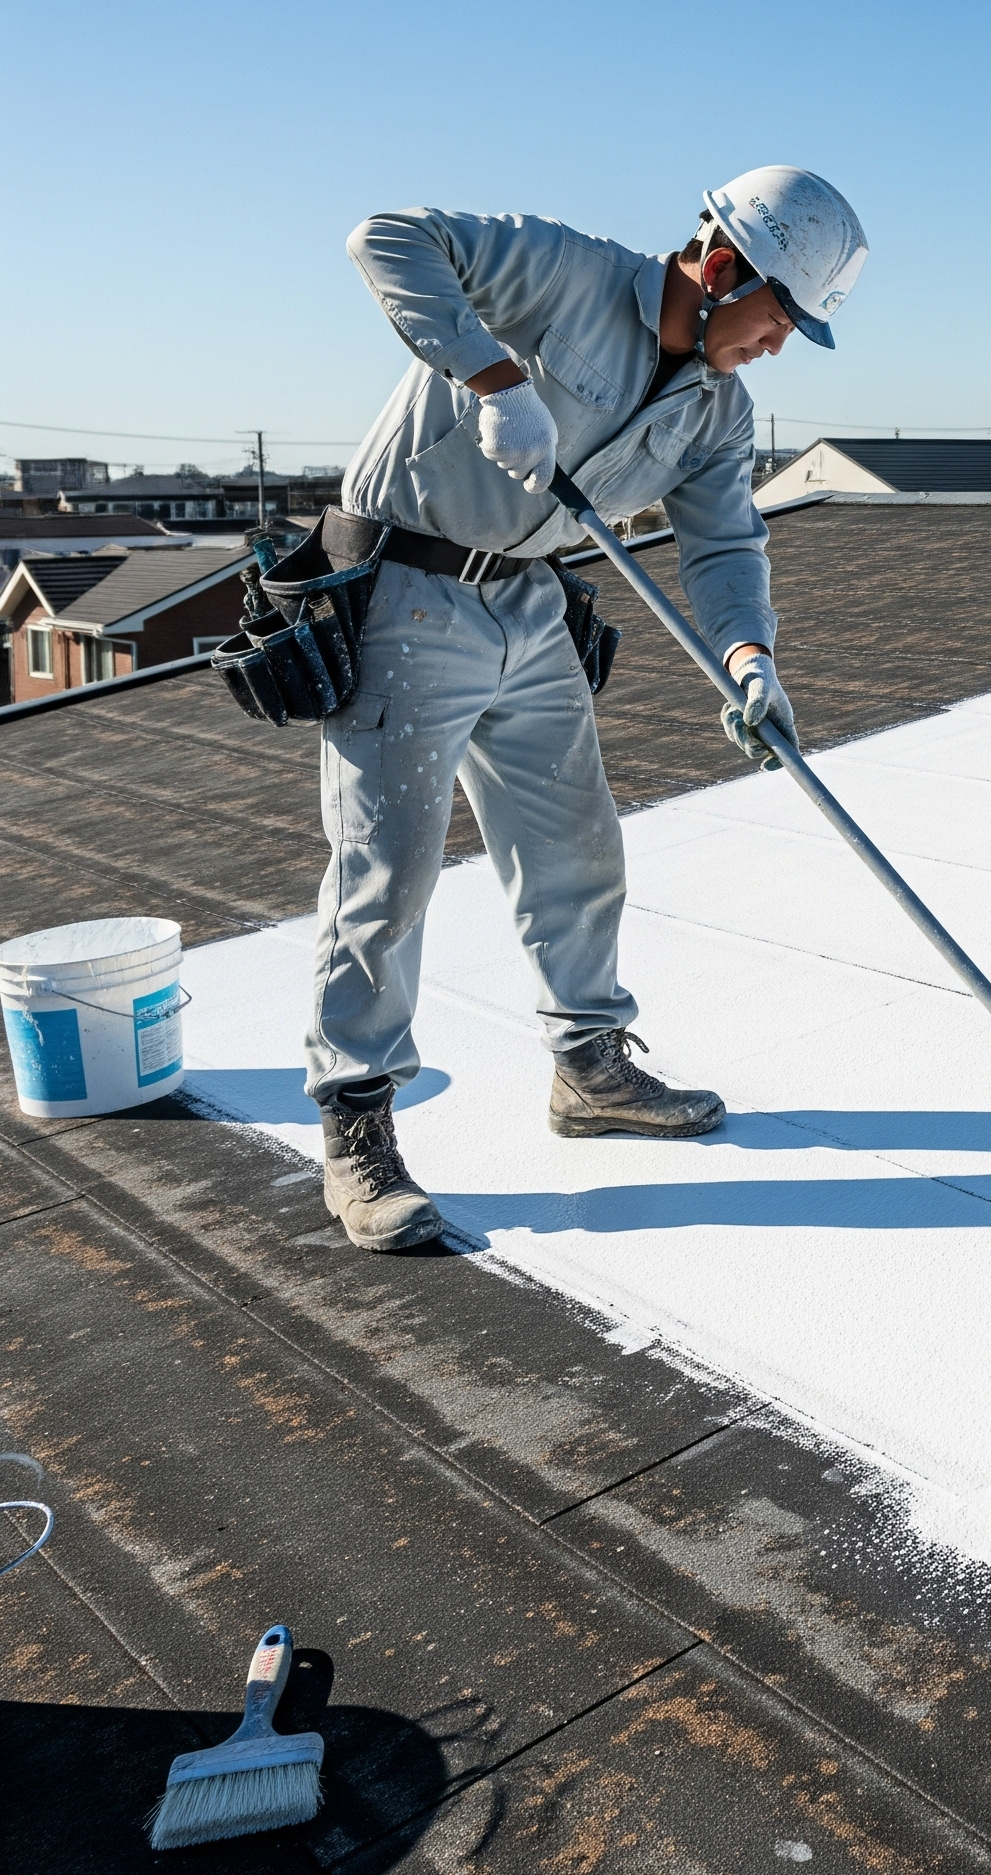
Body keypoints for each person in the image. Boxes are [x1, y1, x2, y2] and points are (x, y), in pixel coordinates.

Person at [309, 168, 867, 1252]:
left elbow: (720, 546)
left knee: (576, 847)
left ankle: (591, 1069)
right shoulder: (563, 272)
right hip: (406, 593)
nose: (777, 344)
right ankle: (356, 1127)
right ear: (719, 271)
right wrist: (491, 376)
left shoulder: (717, 407)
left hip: (530, 600)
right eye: (777, 316)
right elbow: (385, 236)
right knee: (390, 868)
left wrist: (749, 660)